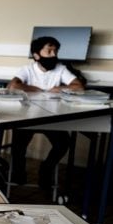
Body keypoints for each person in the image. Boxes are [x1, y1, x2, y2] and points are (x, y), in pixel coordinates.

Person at [8, 36, 84, 188]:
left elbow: (79, 87)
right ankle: (18, 174)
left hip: (51, 117)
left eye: (55, 51)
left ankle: (46, 168)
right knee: (18, 146)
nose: (53, 55)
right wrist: (37, 89)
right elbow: (12, 86)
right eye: (49, 51)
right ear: (37, 55)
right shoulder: (26, 69)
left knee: (63, 143)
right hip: (27, 117)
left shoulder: (60, 69)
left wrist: (59, 88)